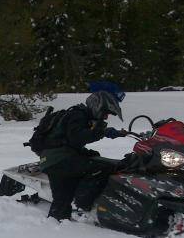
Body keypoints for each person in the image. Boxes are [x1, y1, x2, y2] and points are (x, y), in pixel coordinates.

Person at [36, 90, 128, 221]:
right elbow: (77, 137)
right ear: (97, 106)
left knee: (62, 202)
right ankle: (84, 203)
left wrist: (104, 132)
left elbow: (69, 141)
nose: (106, 117)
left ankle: (56, 230)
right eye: (105, 113)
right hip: (59, 160)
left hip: (53, 161)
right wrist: (101, 131)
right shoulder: (78, 115)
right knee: (104, 167)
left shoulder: (80, 115)